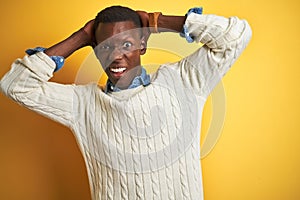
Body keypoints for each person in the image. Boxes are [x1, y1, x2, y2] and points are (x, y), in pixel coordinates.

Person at [0, 5, 252, 200]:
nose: (116, 56)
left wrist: (156, 22)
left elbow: (236, 36)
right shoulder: (83, 103)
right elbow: (15, 84)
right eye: (105, 47)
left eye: (127, 44)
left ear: (142, 45)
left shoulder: (184, 81)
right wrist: (81, 37)